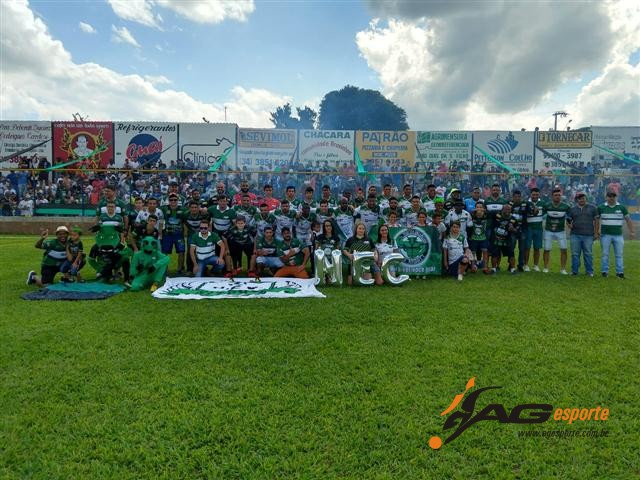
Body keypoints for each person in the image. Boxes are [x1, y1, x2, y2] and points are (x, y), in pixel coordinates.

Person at [598, 191, 635, 278]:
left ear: (616, 197)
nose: (611, 198)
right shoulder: (601, 207)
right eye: (610, 196)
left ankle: (620, 273)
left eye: (613, 196)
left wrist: (632, 231)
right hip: (605, 235)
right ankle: (604, 272)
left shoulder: (622, 207)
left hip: (618, 235)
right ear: (606, 197)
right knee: (605, 254)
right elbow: (596, 220)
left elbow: (628, 220)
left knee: (619, 255)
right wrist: (596, 231)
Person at [567, 192, 599, 276]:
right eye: (580, 198)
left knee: (588, 253)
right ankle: (574, 271)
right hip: (575, 235)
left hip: (588, 235)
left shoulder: (593, 208)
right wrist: (569, 225)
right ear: (577, 200)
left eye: (583, 198)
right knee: (575, 254)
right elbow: (568, 219)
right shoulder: (572, 209)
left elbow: (596, 221)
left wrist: (596, 233)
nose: (582, 200)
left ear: (586, 199)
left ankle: (589, 272)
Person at [542, 188, 570, 274]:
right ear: (552, 196)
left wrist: (569, 224)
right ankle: (546, 267)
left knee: (564, 249)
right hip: (548, 230)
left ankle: (563, 269)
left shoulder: (566, 206)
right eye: (555, 195)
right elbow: (540, 215)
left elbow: (570, 218)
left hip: (561, 231)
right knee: (546, 249)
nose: (557, 197)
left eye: (559, 195)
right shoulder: (547, 206)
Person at [159, 193, 186, 274]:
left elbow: (185, 220)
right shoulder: (163, 208)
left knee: (181, 251)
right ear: (168, 201)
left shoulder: (183, 209)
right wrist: (160, 233)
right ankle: (165, 269)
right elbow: (160, 219)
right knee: (165, 252)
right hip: (167, 235)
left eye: (175, 200)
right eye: (171, 200)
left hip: (179, 234)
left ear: (178, 201)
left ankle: (180, 269)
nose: (173, 201)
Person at [490, 204, 519, 274]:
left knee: (511, 254)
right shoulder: (497, 216)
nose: (507, 211)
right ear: (502, 210)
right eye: (505, 209)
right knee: (494, 254)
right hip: (496, 238)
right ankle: (493, 269)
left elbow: (517, 230)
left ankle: (513, 269)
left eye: (509, 209)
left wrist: (512, 229)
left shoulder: (513, 219)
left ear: (511, 210)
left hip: (507, 239)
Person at [523, 187, 544, 271]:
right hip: (528, 228)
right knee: (527, 247)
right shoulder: (526, 203)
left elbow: (544, 212)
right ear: (530, 194)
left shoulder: (542, 203)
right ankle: (526, 265)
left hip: (538, 228)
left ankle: (535, 265)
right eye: (533, 194)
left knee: (537, 248)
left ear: (539, 195)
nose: (535, 196)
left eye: (536, 195)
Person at [469, 202, 489, 274]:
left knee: (485, 252)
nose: (479, 209)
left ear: (483, 208)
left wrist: (485, 211)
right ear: (475, 208)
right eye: (477, 207)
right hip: (474, 237)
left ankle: (485, 267)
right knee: (473, 253)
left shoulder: (486, 215)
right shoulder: (472, 215)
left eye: (481, 207)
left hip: (483, 237)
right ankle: (473, 267)